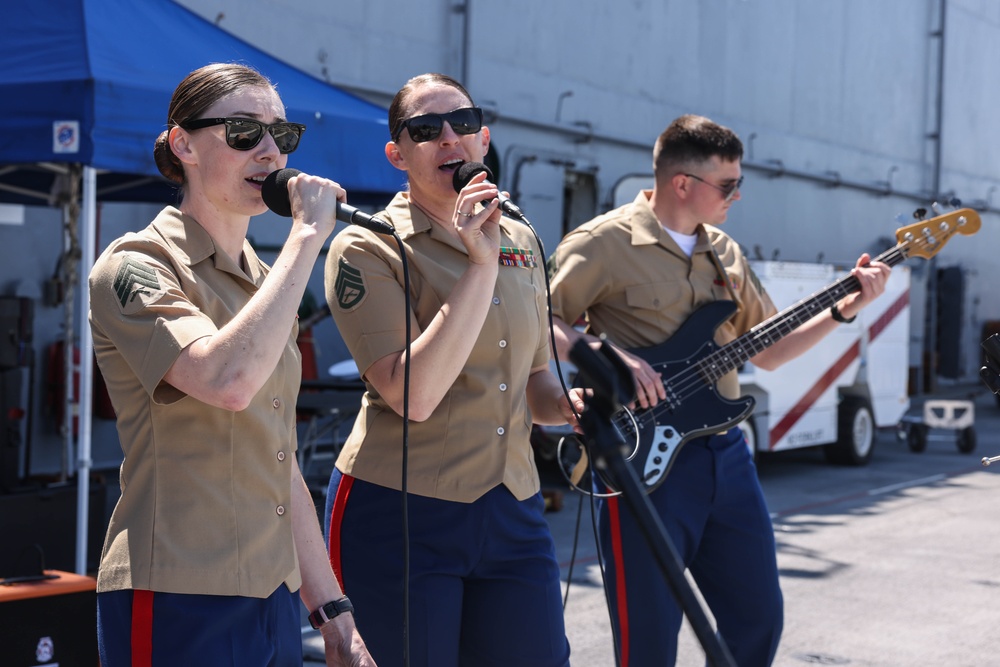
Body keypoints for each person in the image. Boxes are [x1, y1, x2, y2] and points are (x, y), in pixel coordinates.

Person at [546, 114, 891, 666]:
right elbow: (538, 320)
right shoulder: (601, 244)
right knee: (649, 637)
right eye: (728, 185)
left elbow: (771, 348)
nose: (736, 196)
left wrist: (845, 309)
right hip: (643, 465)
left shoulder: (725, 252)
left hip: (726, 458)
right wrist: (611, 356)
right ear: (683, 183)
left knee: (756, 619)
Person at [88, 62, 375, 667]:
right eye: (245, 131)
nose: (271, 152)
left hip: (270, 595)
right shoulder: (136, 262)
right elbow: (226, 381)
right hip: (176, 592)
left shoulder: (267, 284)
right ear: (183, 143)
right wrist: (304, 237)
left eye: (283, 135)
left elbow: (279, 459)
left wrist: (332, 612)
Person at [322, 72, 583, 667]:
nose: (449, 139)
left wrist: (570, 407)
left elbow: (534, 382)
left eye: (463, 124)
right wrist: (479, 265)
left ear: (483, 140)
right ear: (397, 154)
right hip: (403, 511)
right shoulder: (369, 246)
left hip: (512, 502)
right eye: (425, 130)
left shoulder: (519, 239)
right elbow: (409, 394)